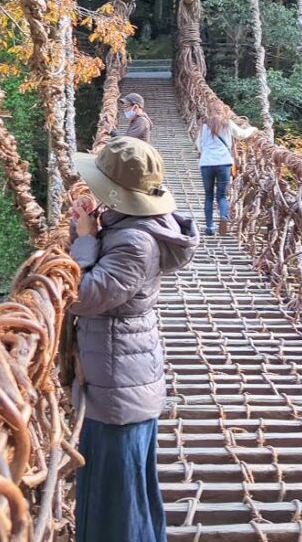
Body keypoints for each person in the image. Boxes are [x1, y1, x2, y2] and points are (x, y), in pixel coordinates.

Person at [67, 136, 199, 542]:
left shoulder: (136, 242)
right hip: (120, 372)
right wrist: (88, 225)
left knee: (115, 499)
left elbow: (81, 296)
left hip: (117, 382)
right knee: (127, 491)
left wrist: (86, 238)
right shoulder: (130, 225)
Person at [196, 105, 257, 236]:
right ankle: (223, 217)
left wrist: (207, 152)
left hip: (206, 164)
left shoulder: (204, 125)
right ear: (224, 112)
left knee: (208, 196)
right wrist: (253, 128)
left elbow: (198, 145)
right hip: (224, 163)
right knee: (222, 195)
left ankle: (209, 227)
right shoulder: (227, 123)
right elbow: (242, 135)